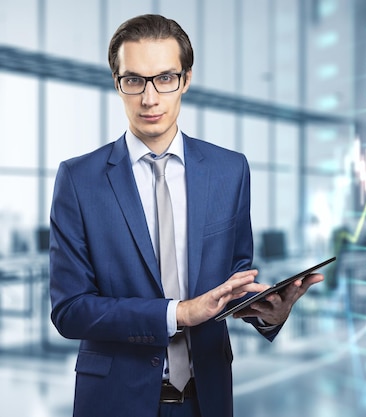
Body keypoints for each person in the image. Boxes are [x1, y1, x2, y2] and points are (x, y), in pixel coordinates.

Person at [49, 14, 324, 417]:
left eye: (164, 78)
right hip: (114, 401)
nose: (149, 98)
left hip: (206, 399)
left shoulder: (230, 171)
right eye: (134, 80)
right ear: (117, 83)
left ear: (186, 79)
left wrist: (266, 313)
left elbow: (235, 280)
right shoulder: (79, 179)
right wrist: (178, 314)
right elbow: (69, 310)